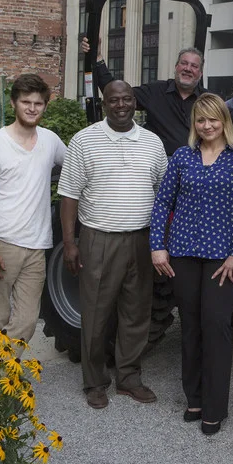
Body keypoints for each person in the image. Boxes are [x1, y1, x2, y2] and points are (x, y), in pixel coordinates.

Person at [150, 93, 233, 435]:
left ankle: (215, 406)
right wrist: (158, 247)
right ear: (194, 124)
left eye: (213, 119)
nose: (207, 125)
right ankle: (194, 398)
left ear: (224, 122)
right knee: (191, 327)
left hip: (221, 259)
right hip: (182, 254)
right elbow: (161, 202)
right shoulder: (182, 157)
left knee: (216, 327)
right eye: (201, 120)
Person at [57, 80, 167, 409]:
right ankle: (94, 382)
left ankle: (129, 378)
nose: (121, 105)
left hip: (141, 239)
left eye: (127, 99)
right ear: (104, 104)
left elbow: (163, 191)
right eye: (114, 100)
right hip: (98, 238)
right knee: (96, 314)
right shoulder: (84, 140)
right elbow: (69, 195)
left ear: (136, 102)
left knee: (136, 313)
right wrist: (69, 242)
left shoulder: (152, 142)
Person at [0, 73, 66, 346]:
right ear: (13, 103)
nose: (32, 108)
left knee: (26, 321)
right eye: (26, 101)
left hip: (36, 246)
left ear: (45, 106)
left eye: (38, 103)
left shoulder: (50, 140)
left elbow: (77, 166)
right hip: (2, 242)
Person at [81, 38, 233, 156]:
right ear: (176, 67)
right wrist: (97, 58)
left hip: (199, 167)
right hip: (162, 164)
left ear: (200, 73)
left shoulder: (207, 98)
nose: (187, 68)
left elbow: (229, 114)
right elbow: (115, 93)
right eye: (184, 63)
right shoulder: (155, 91)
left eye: (193, 66)